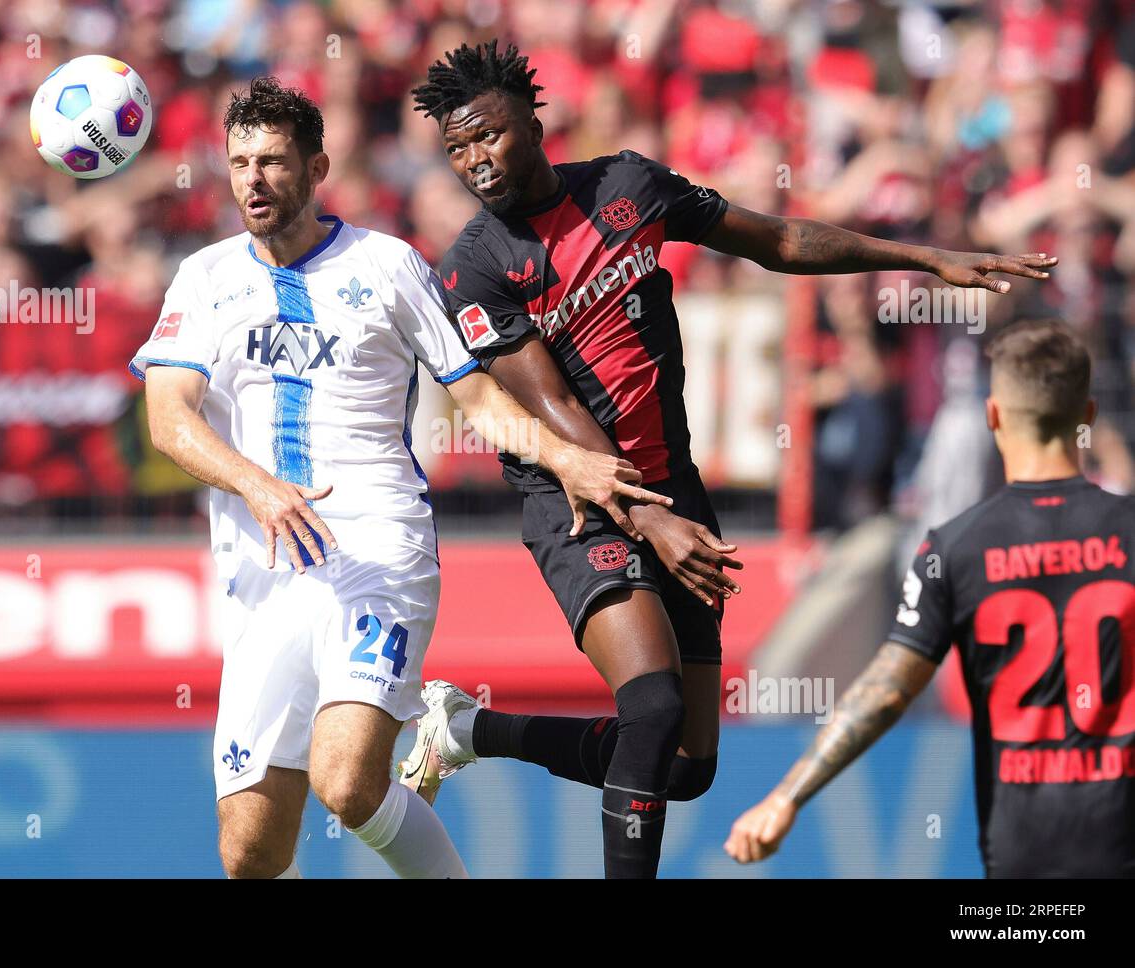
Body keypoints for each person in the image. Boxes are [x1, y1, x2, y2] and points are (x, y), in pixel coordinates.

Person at [401, 40, 1057, 879]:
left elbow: (777, 238)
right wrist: (649, 520)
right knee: (652, 704)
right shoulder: (475, 267)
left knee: (686, 765)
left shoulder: (628, 186)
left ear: (534, 120)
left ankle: (468, 730)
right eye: (457, 150)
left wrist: (926, 258)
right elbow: (554, 410)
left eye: (488, 136)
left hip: (671, 485)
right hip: (578, 495)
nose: (475, 162)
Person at [131, 76, 668, 879]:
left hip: (378, 556)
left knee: (346, 781)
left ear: (317, 170)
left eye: (274, 162)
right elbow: (169, 418)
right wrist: (256, 484)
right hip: (261, 577)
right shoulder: (204, 279)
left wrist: (568, 460)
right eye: (240, 162)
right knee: (250, 853)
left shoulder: (387, 266)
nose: (253, 180)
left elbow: (478, 394)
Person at [727, 319, 1135, 878]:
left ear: (993, 415)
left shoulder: (956, 547)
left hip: (1024, 854)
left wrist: (788, 796)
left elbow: (888, 690)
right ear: (1087, 416)